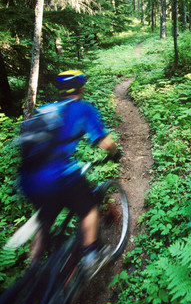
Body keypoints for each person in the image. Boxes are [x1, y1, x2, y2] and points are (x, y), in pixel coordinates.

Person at [20, 70, 118, 267]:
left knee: (44, 221)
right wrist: (114, 154)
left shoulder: (45, 109)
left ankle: (33, 270)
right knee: (89, 211)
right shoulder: (82, 109)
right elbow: (104, 142)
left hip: (29, 180)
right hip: (59, 176)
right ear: (81, 88)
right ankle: (92, 256)